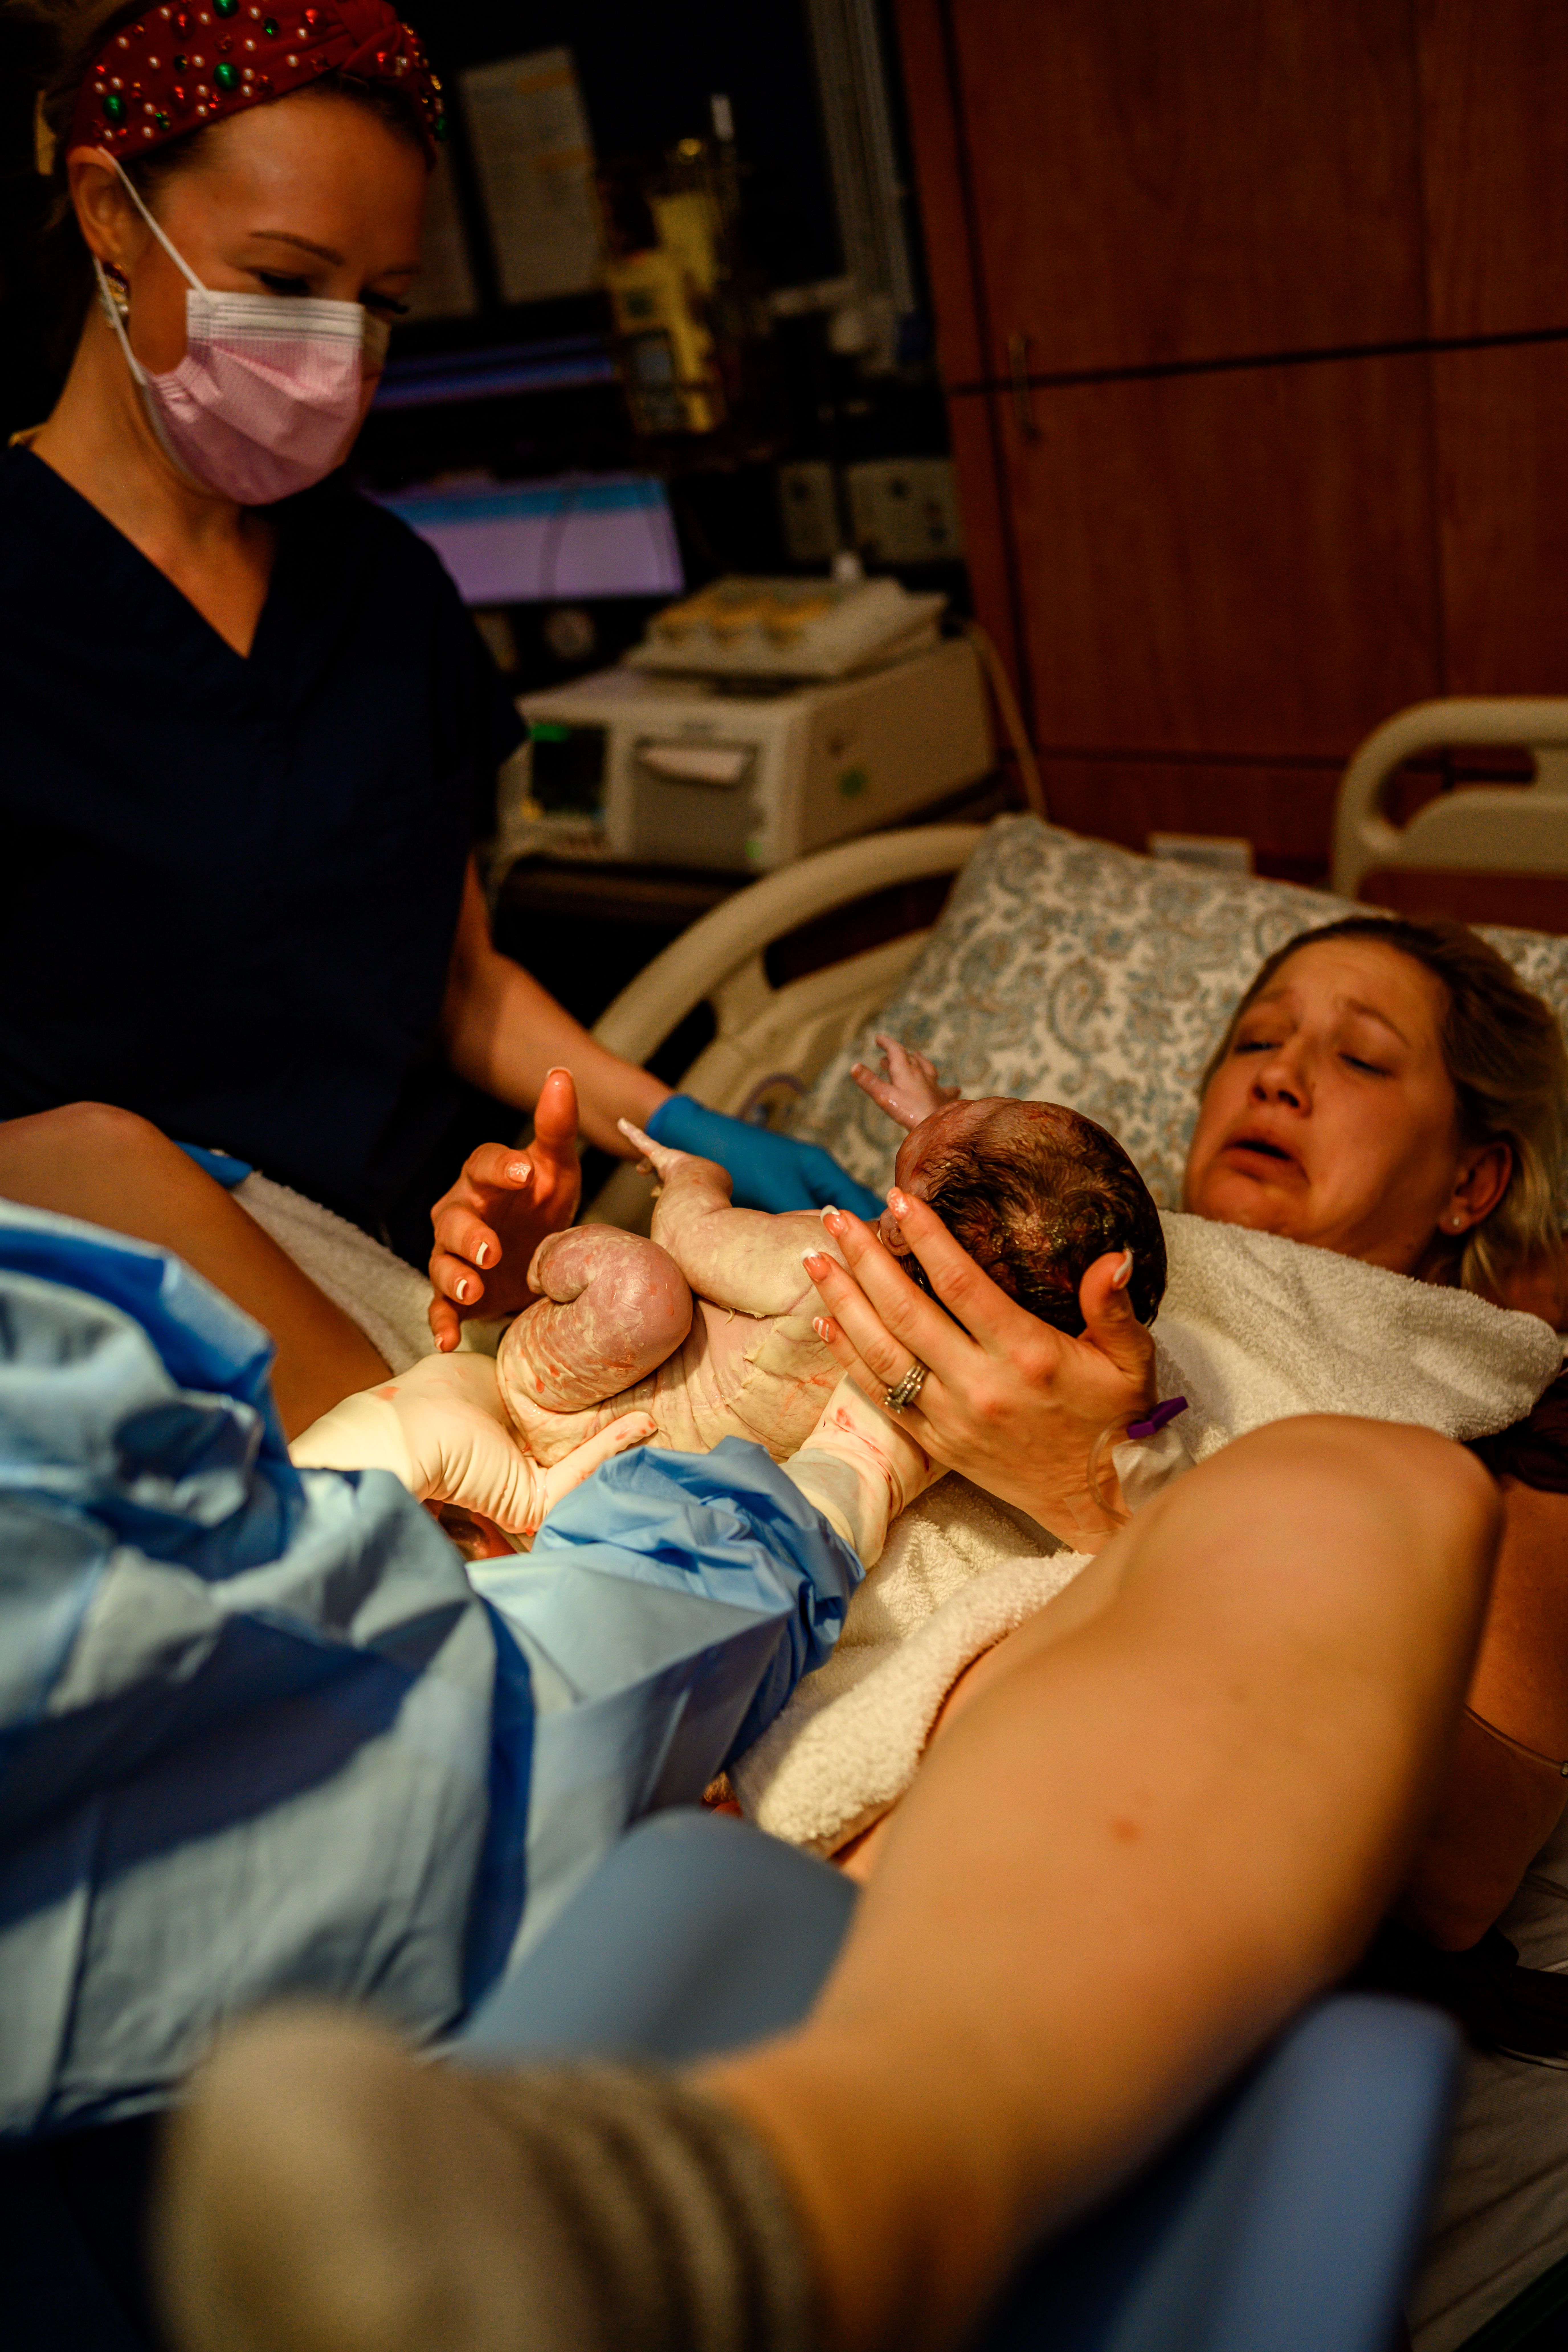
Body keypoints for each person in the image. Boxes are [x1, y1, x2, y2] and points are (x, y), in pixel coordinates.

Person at [1, 0, 878, 1327]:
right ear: (113, 217)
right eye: (288, 284)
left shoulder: (382, 590)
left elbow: (457, 983)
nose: (336, 356)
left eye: (381, 304)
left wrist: (682, 1124)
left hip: (447, 1269)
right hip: (135, 1314)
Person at [287, 1068, 1165, 1526]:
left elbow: (691, 1240)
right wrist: (943, 1132)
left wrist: (690, 1176)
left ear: (913, 1204)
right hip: (629, 1485)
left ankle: (541, 1274)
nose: (968, 1098)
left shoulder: (828, 1255)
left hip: (563, 1394)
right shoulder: (970, 1386)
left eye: (988, 1105)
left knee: (643, 1291)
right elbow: (996, 1206)